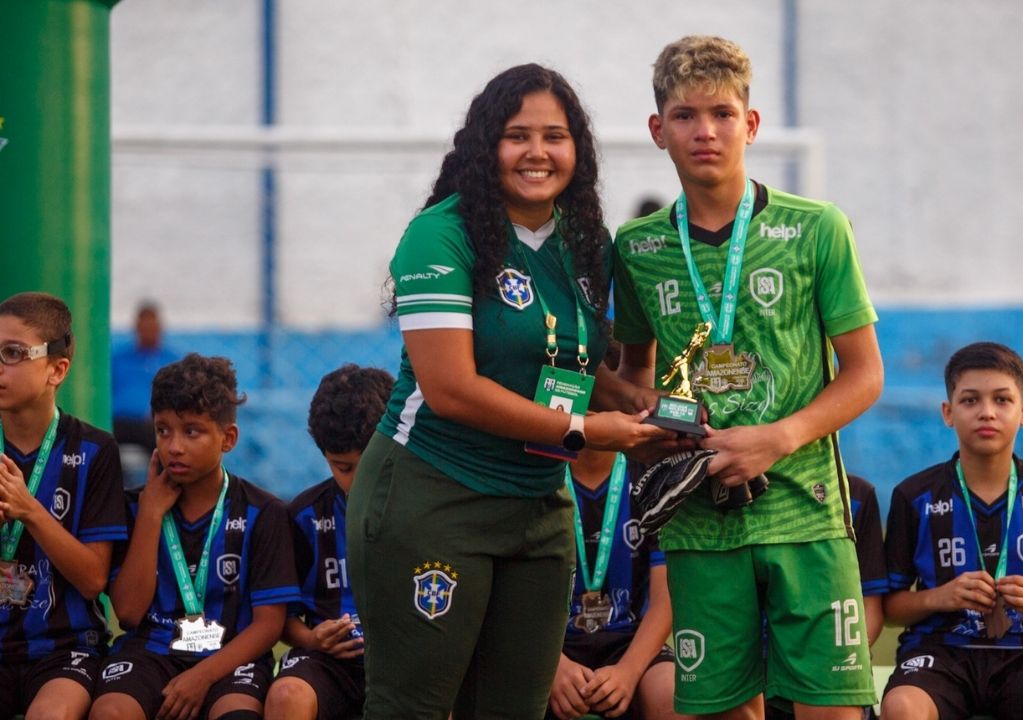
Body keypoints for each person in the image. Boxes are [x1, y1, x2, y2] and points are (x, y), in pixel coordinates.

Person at [347, 63, 670, 720]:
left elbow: (572, 364)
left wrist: (644, 409)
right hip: (431, 496)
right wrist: (586, 431)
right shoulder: (441, 234)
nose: (537, 152)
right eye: (517, 135)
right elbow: (451, 390)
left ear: (577, 149)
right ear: (486, 144)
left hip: (536, 510)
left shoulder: (587, 243)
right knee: (412, 706)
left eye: (555, 135)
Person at [613, 36, 885, 719]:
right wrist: (655, 427)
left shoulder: (818, 228)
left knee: (832, 711)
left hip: (807, 513)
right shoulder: (637, 248)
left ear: (751, 124)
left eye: (722, 113)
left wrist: (775, 438)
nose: (705, 131)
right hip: (701, 527)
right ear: (658, 130)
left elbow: (865, 374)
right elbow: (635, 378)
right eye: (684, 115)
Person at [879, 342, 1023, 720]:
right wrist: (940, 597)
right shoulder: (914, 496)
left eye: (1002, 400)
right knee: (901, 708)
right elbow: (890, 607)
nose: (986, 413)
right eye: (970, 401)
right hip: (938, 651)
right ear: (948, 413)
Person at [90, 354, 299, 720]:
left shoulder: (264, 513)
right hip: (152, 651)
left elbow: (269, 625)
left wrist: (201, 676)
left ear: (228, 438)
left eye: (191, 431)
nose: (173, 446)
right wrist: (152, 514)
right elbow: (128, 613)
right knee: (110, 711)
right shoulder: (134, 507)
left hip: (230, 656)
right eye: (163, 429)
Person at [0, 291, 128, 720]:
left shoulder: (95, 451)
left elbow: (93, 580)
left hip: (66, 649)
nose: (0, 363)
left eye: (13, 353)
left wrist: (29, 510)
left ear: (57, 369)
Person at [265, 364, 393, 720]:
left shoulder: (423, 509)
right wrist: (312, 639)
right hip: (328, 663)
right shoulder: (303, 516)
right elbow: (280, 619)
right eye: (343, 468)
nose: (357, 481)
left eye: (367, 465)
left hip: (405, 660)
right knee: (287, 695)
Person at [549, 445, 684, 720]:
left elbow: (666, 597)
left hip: (631, 639)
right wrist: (551, 667)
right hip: (548, 642)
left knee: (670, 699)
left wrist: (628, 672)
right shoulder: (540, 474)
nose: (596, 407)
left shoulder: (651, 477)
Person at [765, 473, 887, 720]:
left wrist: (840, 658)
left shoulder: (858, 494)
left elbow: (871, 608)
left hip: (829, 659)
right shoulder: (739, 491)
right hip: (759, 663)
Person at [111, 302, 180, 455]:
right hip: (119, 422)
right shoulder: (118, 359)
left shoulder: (172, 362)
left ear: (160, 328)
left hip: (152, 425)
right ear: (136, 328)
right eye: (144, 328)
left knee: (165, 442)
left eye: (152, 328)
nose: (148, 332)